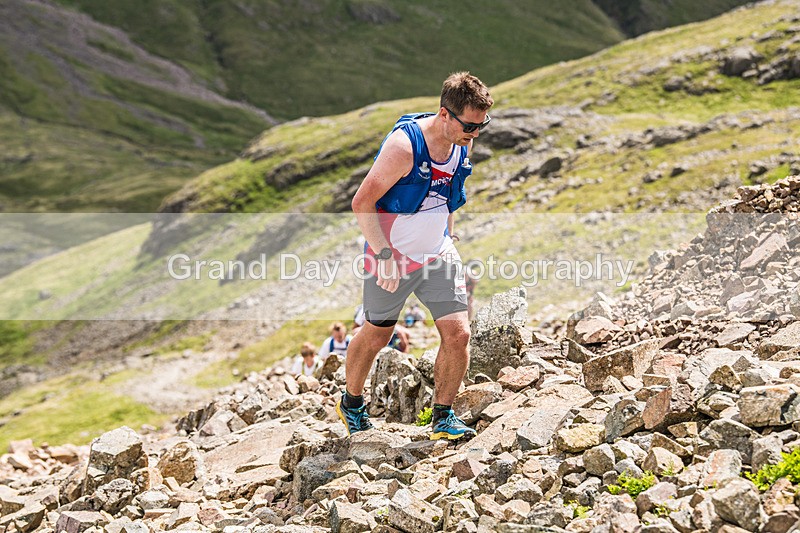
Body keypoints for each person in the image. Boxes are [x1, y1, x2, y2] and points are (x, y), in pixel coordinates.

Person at [336, 72, 493, 440]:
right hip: (392, 255)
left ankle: (443, 417)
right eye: (470, 126)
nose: (475, 134)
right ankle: (352, 404)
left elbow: (450, 189)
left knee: (459, 334)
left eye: (482, 125)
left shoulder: (461, 142)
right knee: (377, 334)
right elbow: (362, 202)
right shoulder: (404, 148)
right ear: (445, 114)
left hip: (437, 254)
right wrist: (384, 255)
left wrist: (449, 232)